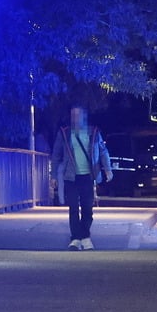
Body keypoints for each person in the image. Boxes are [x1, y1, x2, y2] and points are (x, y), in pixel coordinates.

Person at [50, 105, 113, 250]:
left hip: (88, 176)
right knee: (73, 207)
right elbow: (56, 155)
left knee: (87, 208)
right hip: (70, 177)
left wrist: (107, 170)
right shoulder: (64, 133)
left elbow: (103, 152)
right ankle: (75, 238)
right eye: (73, 115)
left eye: (78, 115)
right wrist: (53, 176)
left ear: (84, 117)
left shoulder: (94, 132)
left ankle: (85, 236)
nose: (75, 118)